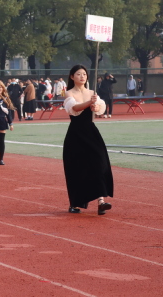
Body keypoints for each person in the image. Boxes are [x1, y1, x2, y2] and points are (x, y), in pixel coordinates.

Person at [62, 64, 113, 215]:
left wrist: (96, 107)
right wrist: (89, 103)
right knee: (77, 168)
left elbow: (100, 108)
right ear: (72, 77)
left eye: (84, 74)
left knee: (99, 163)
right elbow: (74, 108)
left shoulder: (92, 93)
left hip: (91, 133)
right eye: (78, 74)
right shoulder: (68, 93)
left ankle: (101, 201)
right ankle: (75, 203)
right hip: (75, 135)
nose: (82, 76)